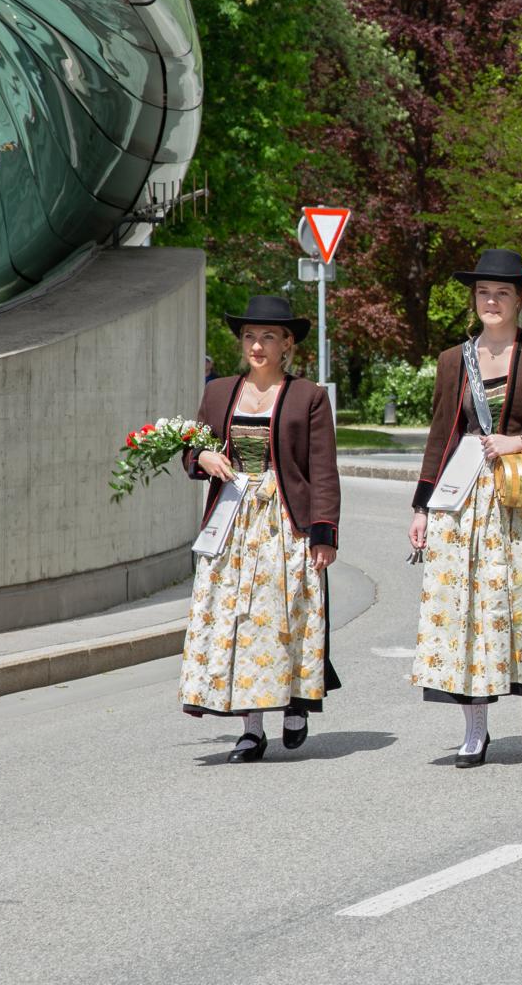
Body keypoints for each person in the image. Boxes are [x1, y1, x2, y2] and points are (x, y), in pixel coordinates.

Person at [408, 249, 522, 767]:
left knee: (521, 603)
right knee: (466, 613)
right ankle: (475, 729)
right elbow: (441, 437)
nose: (491, 301)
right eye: (484, 292)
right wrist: (422, 507)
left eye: (502, 293)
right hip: (464, 501)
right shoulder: (452, 359)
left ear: (520, 299)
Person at [181, 296, 340, 762]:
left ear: (287, 344)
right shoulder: (219, 392)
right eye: (250, 336)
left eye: (268, 336)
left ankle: (294, 702)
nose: (257, 345)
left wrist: (324, 533)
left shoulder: (308, 395)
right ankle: (251, 729)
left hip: (284, 519)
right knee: (239, 622)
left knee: (282, 617)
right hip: (231, 520)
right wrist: (202, 456)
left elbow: (323, 470)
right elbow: (193, 450)